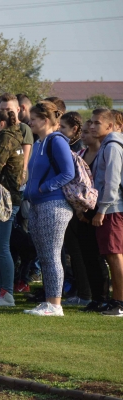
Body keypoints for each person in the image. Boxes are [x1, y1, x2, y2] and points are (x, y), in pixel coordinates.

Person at [23, 101, 74, 316]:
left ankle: (55, 304)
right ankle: (49, 300)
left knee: (52, 255)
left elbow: (68, 172)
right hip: (37, 204)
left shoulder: (57, 141)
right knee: (44, 255)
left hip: (54, 204)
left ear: (45, 120)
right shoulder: (38, 143)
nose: (31, 123)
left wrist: (45, 188)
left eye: (34, 119)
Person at [63, 120, 110, 310]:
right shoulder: (81, 154)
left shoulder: (102, 155)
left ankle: (103, 295)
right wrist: (78, 209)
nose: (84, 135)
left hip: (97, 210)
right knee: (83, 254)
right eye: (82, 132)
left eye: (88, 133)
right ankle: (91, 296)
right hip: (80, 210)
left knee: (99, 255)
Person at [0, 110, 24, 306]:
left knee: (1, 247)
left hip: (6, 199)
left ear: (1, 124)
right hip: (5, 198)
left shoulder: (5, 138)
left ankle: (7, 293)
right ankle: (1, 290)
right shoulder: (8, 136)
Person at [90, 108, 123, 316]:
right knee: (112, 255)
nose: (92, 126)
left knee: (115, 255)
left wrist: (102, 209)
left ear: (110, 126)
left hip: (113, 208)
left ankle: (119, 303)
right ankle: (116, 300)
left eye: (96, 123)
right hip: (112, 208)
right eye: (91, 122)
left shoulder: (112, 146)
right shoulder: (107, 145)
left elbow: (112, 181)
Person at [0, 93, 33, 185]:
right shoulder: (0, 128)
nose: (5, 113)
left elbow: (24, 159)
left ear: (18, 109)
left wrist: (21, 176)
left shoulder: (23, 128)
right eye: (2, 110)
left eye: (8, 109)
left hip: (17, 181)